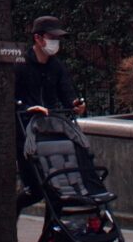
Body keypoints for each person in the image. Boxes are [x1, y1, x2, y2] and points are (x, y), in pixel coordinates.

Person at [14, 14, 86, 218]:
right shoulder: (21, 64)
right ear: (38, 38)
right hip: (27, 136)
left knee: (57, 189)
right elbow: (11, 98)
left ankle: (53, 231)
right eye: (52, 38)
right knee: (36, 189)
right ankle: (11, 215)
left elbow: (66, 93)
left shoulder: (56, 66)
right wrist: (28, 109)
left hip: (52, 135)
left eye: (57, 39)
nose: (55, 43)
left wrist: (75, 104)